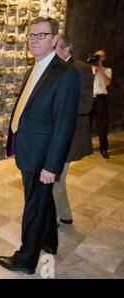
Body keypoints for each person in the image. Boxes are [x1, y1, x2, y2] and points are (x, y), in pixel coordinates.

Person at [0, 17, 80, 274]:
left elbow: (64, 125)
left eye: (41, 35)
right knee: (43, 201)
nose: (34, 39)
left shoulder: (66, 74)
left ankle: (25, 260)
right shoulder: (32, 69)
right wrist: (14, 140)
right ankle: (49, 241)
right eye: (31, 35)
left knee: (33, 207)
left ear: (54, 39)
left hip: (43, 156)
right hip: (28, 149)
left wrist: (51, 166)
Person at [53, 36, 94, 225]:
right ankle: (66, 215)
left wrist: (59, 105)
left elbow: (85, 104)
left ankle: (51, 221)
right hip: (54, 133)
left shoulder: (82, 69)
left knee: (55, 180)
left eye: (55, 48)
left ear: (67, 48)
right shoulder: (53, 68)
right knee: (55, 179)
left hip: (71, 134)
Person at [89, 50, 112, 159]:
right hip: (89, 99)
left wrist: (100, 70)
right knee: (86, 124)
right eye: (97, 55)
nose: (99, 57)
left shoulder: (107, 70)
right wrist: (93, 68)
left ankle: (103, 148)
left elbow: (108, 83)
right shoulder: (89, 69)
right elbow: (86, 82)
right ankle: (86, 146)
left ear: (104, 58)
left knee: (102, 125)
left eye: (101, 56)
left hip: (101, 99)